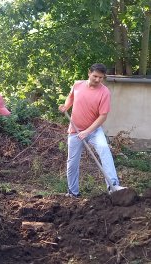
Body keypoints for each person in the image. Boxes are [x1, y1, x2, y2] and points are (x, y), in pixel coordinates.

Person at [58, 63, 125, 198]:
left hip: (94, 131)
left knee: (104, 149)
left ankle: (113, 186)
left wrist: (87, 131)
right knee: (72, 162)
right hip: (75, 131)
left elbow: (103, 116)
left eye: (101, 77)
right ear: (89, 73)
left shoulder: (104, 92)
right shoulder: (77, 85)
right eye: (95, 76)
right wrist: (65, 106)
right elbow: (71, 97)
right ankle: (73, 192)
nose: (97, 80)